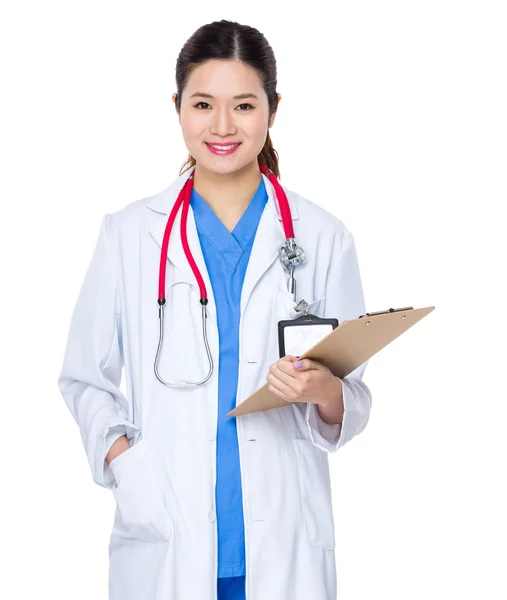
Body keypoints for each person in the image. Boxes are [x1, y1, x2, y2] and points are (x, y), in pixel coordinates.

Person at [58, 19, 372, 600]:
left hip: (284, 542)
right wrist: (124, 461)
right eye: (203, 104)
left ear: (273, 110)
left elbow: (351, 398)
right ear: (176, 106)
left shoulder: (324, 238)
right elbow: (84, 378)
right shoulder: (129, 235)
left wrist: (322, 391)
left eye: (245, 105)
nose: (222, 126)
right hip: (166, 534)